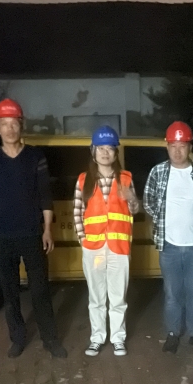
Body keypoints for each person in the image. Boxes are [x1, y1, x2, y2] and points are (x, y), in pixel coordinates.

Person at [0, 98, 67, 359]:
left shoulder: (35, 157)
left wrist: (47, 229)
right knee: (10, 292)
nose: (9, 129)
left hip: (32, 235)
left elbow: (45, 196)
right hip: (3, 236)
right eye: (4, 124)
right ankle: (17, 339)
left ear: (21, 125)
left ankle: (50, 339)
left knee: (40, 291)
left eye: (14, 123)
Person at [143, 121, 193, 354]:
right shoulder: (158, 172)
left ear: (190, 147)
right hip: (170, 246)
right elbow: (148, 201)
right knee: (172, 294)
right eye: (173, 146)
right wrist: (164, 221)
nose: (177, 151)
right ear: (167, 146)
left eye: (182, 146)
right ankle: (173, 333)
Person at [73, 126, 140, 357]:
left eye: (109, 148)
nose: (105, 152)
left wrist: (132, 199)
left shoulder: (126, 178)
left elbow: (134, 210)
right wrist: (82, 239)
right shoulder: (83, 180)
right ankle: (97, 338)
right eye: (100, 148)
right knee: (96, 297)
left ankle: (118, 339)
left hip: (119, 248)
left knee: (118, 297)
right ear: (93, 151)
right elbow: (77, 212)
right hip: (94, 249)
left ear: (115, 153)